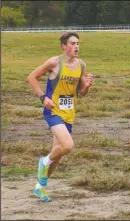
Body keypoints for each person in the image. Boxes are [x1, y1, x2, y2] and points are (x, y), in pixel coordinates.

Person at [27, 32, 94, 202]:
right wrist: (43, 97)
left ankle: (39, 188)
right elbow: (32, 77)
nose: (76, 46)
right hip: (53, 111)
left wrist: (86, 86)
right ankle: (43, 161)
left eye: (78, 43)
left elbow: (81, 93)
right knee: (68, 145)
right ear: (64, 46)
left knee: (57, 157)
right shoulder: (54, 62)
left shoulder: (82, 65)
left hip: (69, 113)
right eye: (72, 43)